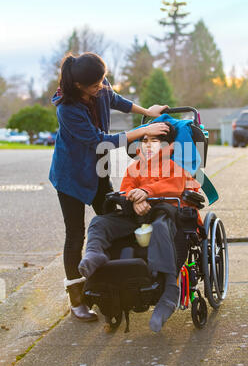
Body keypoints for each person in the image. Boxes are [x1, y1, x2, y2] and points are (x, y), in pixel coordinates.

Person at [49, 52, 170, 322]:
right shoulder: (67, 109)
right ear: (79, 86)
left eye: (103, 81)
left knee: (116, 218)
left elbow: (117, 100)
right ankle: (77, 300)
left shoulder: (100, 88)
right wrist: (140, 132)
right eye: (95, 85)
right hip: (70, 176)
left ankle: (114, 280)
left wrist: (147, 112)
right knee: (75, 235)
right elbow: (99, 141)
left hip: (98, 171)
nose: (101, 87)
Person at [78, 122, 202, 332]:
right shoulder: (134, 168)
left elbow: (175, 184)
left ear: (168, 145)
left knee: (160, 225)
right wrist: (134, 200)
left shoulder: (174, 166)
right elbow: (126, 190)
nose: (148, 145)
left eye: (155, 141)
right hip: (135, 216)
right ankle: (95, 254)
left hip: (167, 215)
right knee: (100, 222)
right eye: (145, 140)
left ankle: (169, 290)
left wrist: (146, 191)